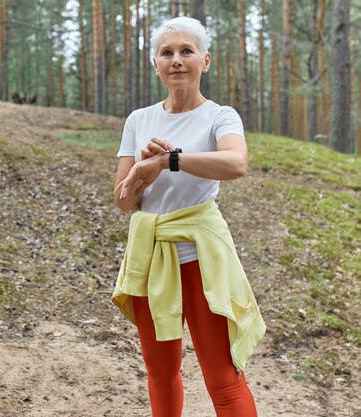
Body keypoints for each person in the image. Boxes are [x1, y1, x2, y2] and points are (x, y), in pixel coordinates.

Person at [111, 16, 266, 417]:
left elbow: (236, 164)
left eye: (186, 51)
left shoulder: (220, 116)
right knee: (160, 372)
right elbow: (123, 201)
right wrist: (142, 172)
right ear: (156, 64)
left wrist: (169, 161)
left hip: (200, 257)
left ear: (205, 61)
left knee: (223, 379)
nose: (177, 60)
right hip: (150, 254)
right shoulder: (138, 120)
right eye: (167, 53)